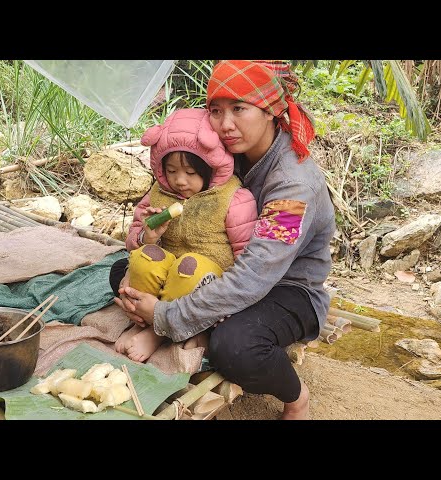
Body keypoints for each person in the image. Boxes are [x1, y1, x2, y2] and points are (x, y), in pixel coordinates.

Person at [114, 60, 336, 420]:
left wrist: (167, 315)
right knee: (122, 270)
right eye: (216, 111)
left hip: (286, 288)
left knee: (235, 347)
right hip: (219, 263)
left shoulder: (295, 189)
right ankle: (184, 323)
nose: (226, 124)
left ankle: (296, 397)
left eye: (239, 109)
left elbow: (253, 277)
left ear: (271, 111)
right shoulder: (225, 156)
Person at [109, 107, 258, 363]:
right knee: (144, 257)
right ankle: (141, 322)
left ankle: (159, 333)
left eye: (190, 173)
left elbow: (248, 254)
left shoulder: (233, 199)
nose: (180, 181)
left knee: (190, 267)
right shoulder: (157, 194)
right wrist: (149, 236)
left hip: (206, 279)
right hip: (165, 272)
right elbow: (133, 239)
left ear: (210, 168)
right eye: (171, 171)